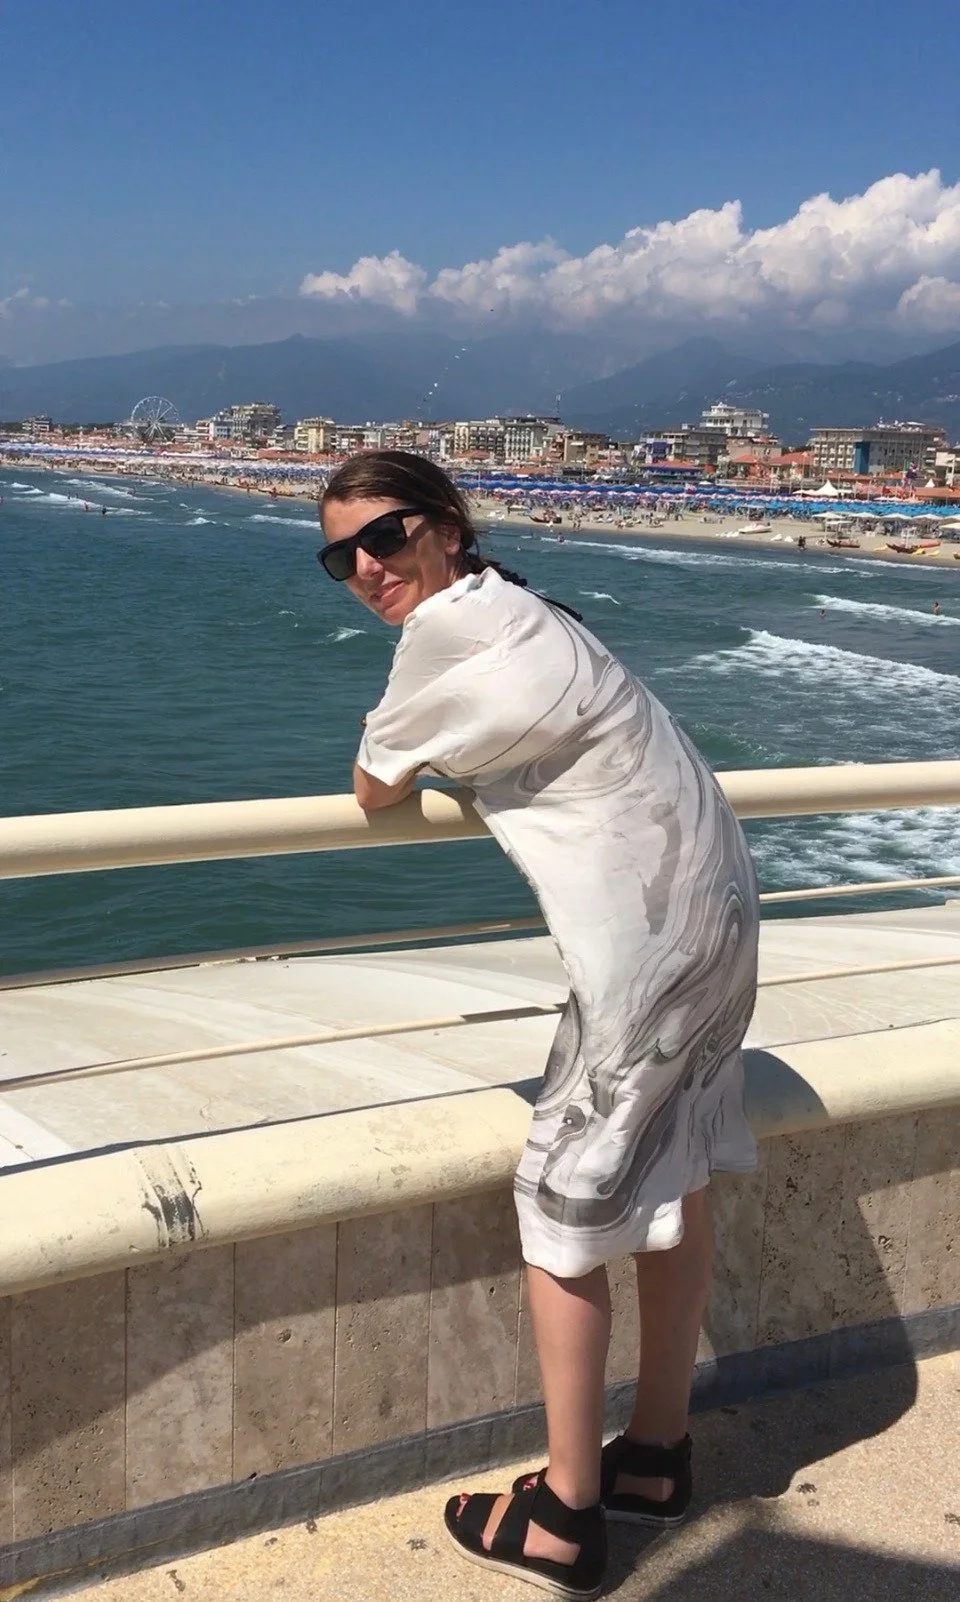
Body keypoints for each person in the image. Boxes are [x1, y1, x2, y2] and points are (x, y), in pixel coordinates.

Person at [318, 452, 759, 1600]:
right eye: (341, 556)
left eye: (386, 535)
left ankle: (565, 1512)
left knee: (563, 1204)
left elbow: (376, 785)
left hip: (646, 952)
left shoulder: (451, 632)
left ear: (448, 528)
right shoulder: (528, 610)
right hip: (720, 913)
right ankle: (655, 1455)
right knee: (679, 1172)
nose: (367, 568)